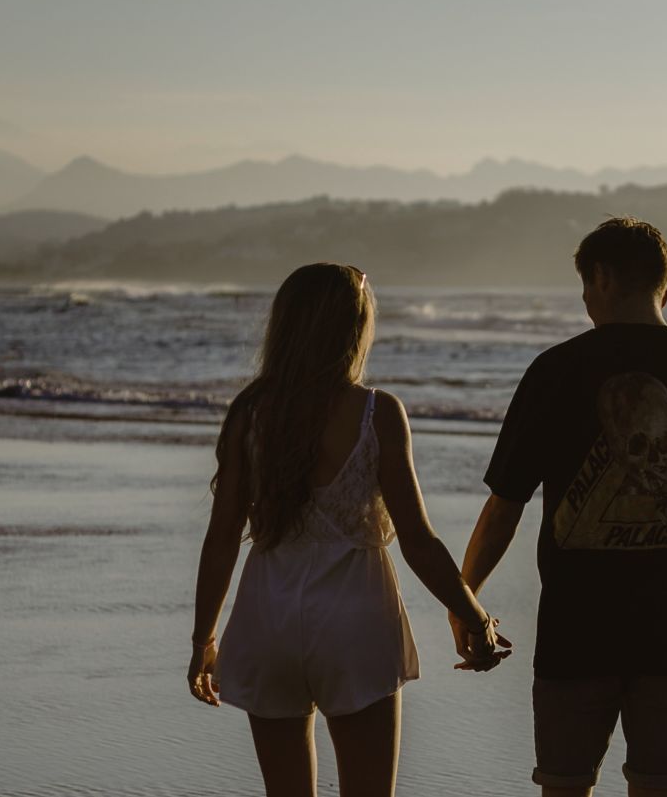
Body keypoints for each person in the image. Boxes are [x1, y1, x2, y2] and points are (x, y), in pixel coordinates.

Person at [456, 218, 667, 797]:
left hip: (576, 633)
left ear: (600, 279)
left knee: (564, 788)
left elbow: (503, 508)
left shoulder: (554, 371)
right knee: (658, 788)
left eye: (584, 286)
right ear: (663, 291)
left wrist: (465, 602)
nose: (583, 300)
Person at [187, 263, 512, 797]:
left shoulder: (250, 412)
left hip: (266, 616)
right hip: (355, 618)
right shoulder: (376, 413)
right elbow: (418, 540)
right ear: (354, 328)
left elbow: (221, 538)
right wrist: (474, 617)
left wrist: (204, 638)